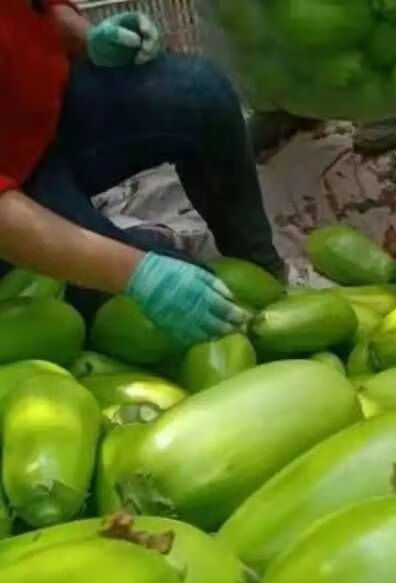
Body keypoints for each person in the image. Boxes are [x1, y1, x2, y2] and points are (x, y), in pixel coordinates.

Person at [0, 1, 285, 345]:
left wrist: (88, 39)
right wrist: (139, 274)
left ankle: (261, 264)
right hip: (13, 201)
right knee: (186, 310)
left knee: (200, 93)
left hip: (43, 119)